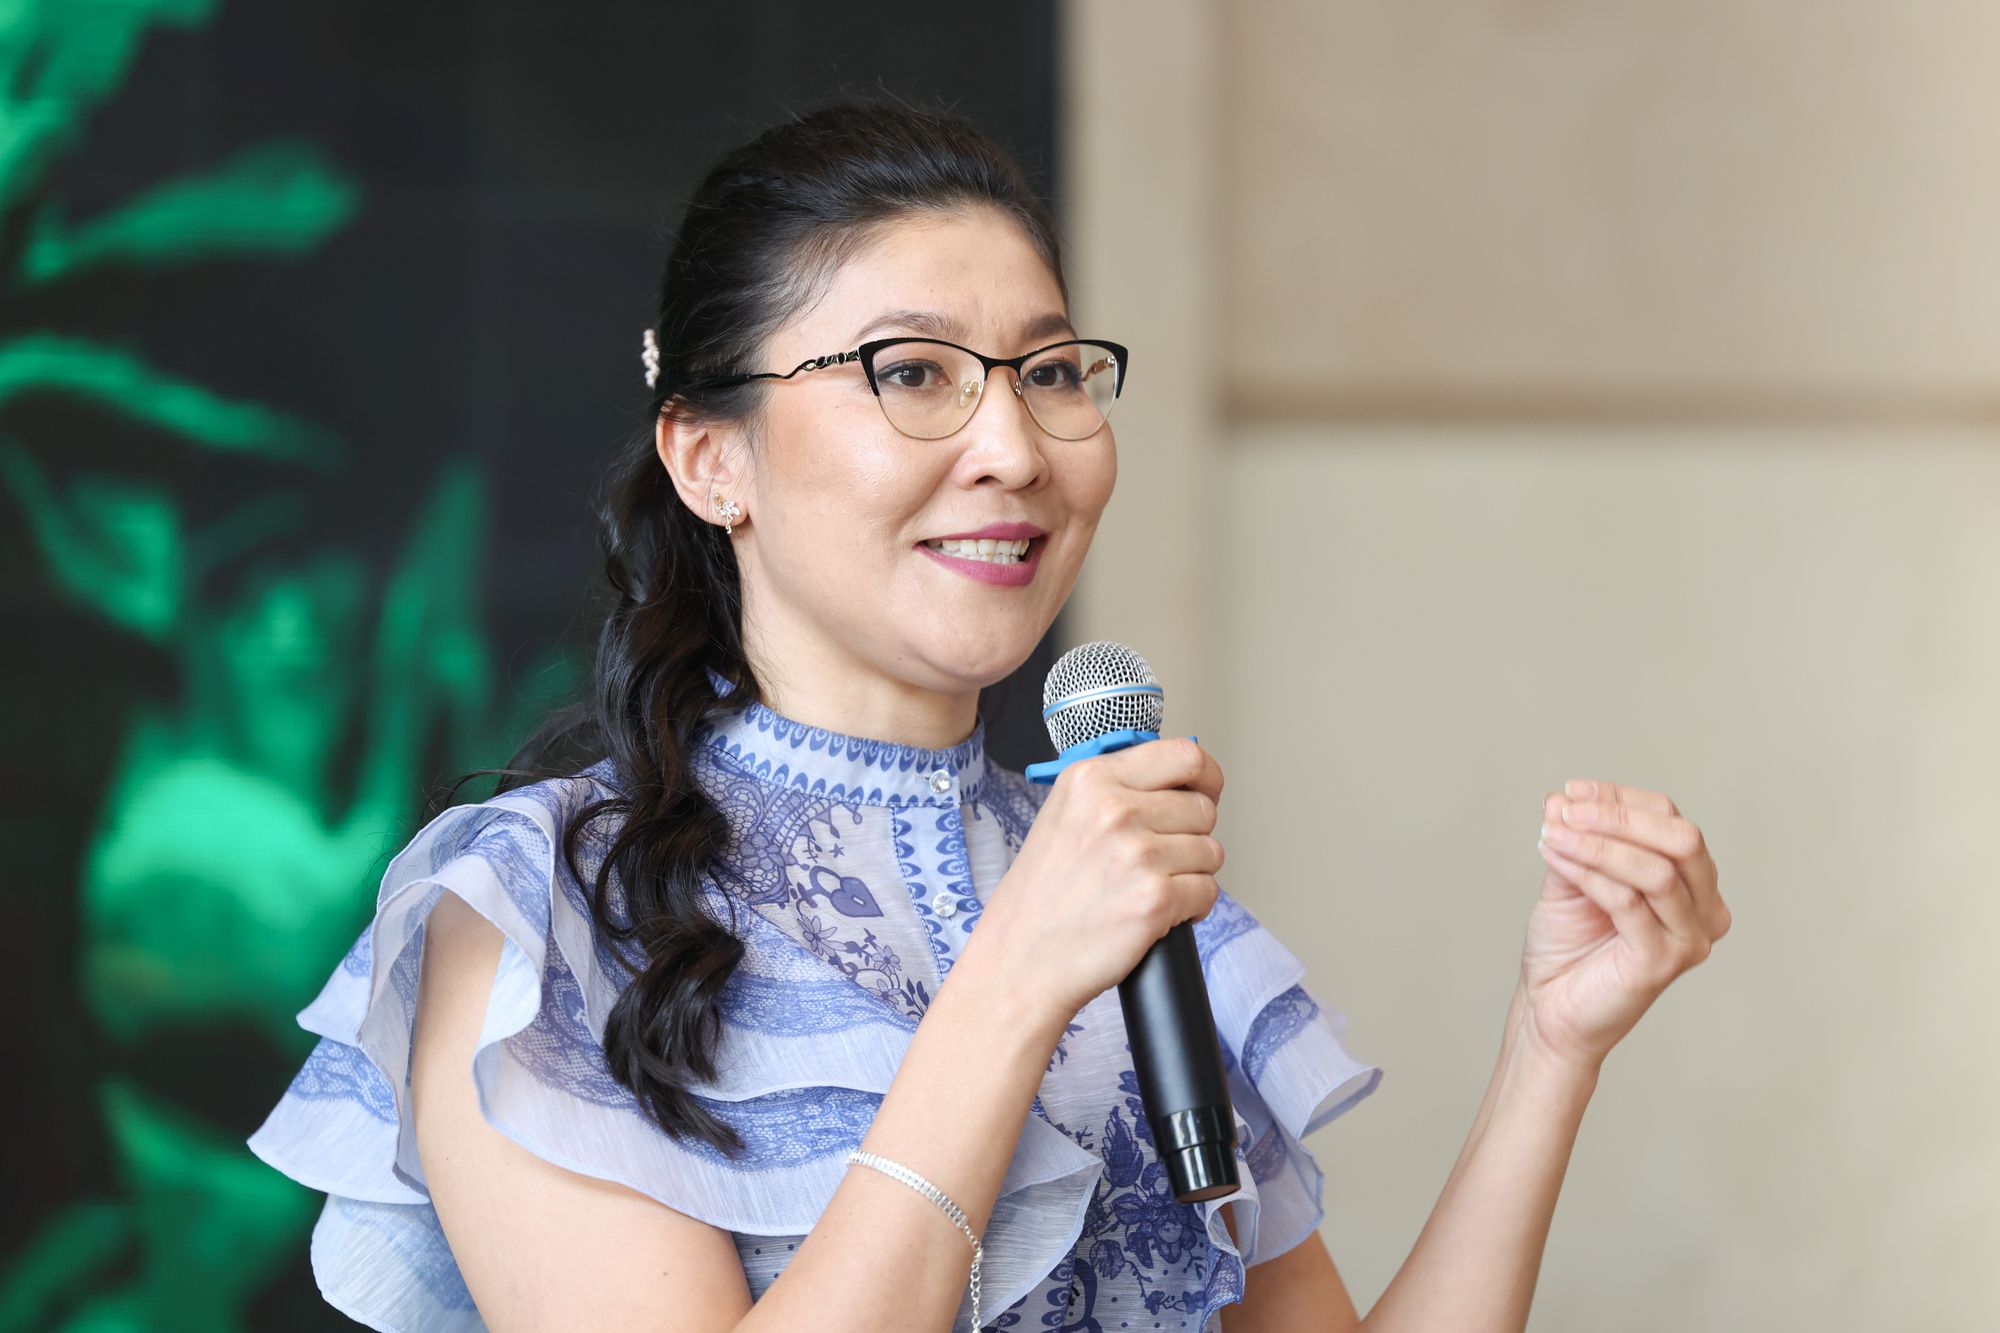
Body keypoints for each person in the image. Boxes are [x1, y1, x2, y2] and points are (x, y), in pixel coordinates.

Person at [248, 99, 1730, 1333]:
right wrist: (1016, 980)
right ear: (710, 459)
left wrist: (1550, 1050)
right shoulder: (539, 919)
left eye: (1051, 372)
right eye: (911, 374)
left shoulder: (1131, 899)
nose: (1015, 448)